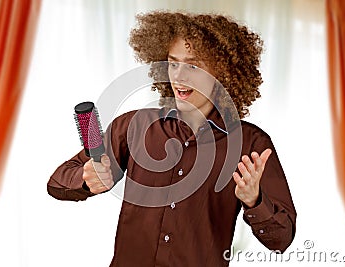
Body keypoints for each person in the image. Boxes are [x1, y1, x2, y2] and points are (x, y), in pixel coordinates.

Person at [47, 11, 296, 267]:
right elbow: (57, 182)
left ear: (222, 72)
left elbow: (282, 239)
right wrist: (85, 180)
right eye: (173, 63)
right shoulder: (135, 126)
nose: (178, 76)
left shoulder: (251, 145)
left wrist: (255, 201)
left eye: (192, 65)